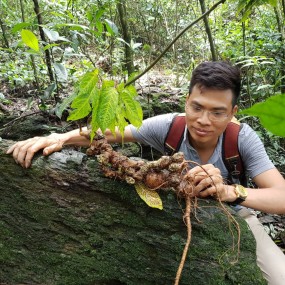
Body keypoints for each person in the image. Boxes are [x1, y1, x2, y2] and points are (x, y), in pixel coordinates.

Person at [7, 61, 285, 284]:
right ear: (187, 100)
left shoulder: (242, 139)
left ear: (233, 111)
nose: (203, 120)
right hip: (172, 213)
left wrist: (228, 191)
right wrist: (60, 138)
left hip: (234, 216)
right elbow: (108, 134)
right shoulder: (169, 126)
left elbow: (281, 197)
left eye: (217, 112)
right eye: (196, 107)